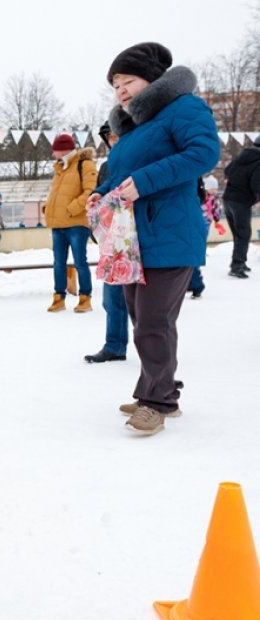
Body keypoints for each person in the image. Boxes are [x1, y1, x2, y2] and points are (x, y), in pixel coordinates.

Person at [88, 42, 220, 434]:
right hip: (134, 240)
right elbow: (124, 173)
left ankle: (157, 401)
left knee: (153, 321)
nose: (121, 90)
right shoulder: (134, 129)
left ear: (153, 79)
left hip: (169, 232)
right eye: (115, 85)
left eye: (128, 80)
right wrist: (105, 188)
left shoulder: (185, 108)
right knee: (142, 318)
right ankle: (157, 387)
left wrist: (141, 183)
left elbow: (203, 153)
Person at [84, 123, 128, 363]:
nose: (114, 140)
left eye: (117, 135)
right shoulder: (107, 165)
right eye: (110, 137)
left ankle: (155, 353)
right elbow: (103, 195)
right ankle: (114, 345)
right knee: (112, 297)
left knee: (146, 303)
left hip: (140, 235)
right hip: (113, 238)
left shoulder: (141, 158)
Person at [44, 133, 97, 313]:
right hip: (58, 224)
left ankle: (85, 298)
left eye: (55, 151)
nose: (53, 155)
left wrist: (72, 208)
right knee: (58, 262)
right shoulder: (60, 167)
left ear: (63, 150)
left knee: (80, 262)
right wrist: (47, 207)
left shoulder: (85, 164)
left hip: (76, 223)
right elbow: (56, 193)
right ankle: (58, 298)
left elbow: (90, 191)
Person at [222, 135, 260, 278]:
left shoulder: (241, 157)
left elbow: (227, 171)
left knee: (239, 234)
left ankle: (239, 263)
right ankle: (237, 265)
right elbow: (257, 184)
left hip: (228, 199)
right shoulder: (258, 162)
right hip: (241, 202)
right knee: (243, 234)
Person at [188, 175, 224, 297]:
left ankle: (195, 284)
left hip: (204, 223)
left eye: (215, 188)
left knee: (195, 248)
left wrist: (217, 221)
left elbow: (216, 211)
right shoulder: (200, 197)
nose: (213, 190)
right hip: (196, 222)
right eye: (211, 188)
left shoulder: (213, 199)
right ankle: (192, 283)